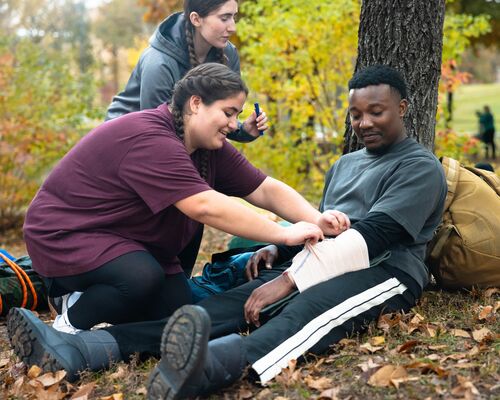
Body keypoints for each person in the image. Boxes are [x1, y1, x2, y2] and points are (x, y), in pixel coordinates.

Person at [8, 65, 447, 398]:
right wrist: (284, 247)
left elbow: (363, 237)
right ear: (196, 104)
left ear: (403, 108)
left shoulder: (418, 166)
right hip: (78, 237)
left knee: (300, 311)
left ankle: (210, 368)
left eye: (376, 112)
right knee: (211, 310)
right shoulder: (345, 164)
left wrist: (301, 247)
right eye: (356, 114)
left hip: (384, 270)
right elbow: (214, 206)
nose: (365, 122)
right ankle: (85, 345)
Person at [21, 63, 346, 336]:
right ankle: (70, 321)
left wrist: (315, 219)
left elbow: (263, 188)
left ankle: (101, 301)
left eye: (238, 115)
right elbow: (203, 206)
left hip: (121, 237)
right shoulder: (152, 138)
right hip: (64, 235)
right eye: (228, 113)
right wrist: (284, 233)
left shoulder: (208, 147)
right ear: (195, 104)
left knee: (175, 312)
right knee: (140, 278)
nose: (234, 125)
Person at [105, 0, 263, 144]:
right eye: (224, 18)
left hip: (170, 139)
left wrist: (243, 131)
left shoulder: (228, 54)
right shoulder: (158, 63)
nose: (233, 27)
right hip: (126, 140)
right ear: (196, 19)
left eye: (233, 17)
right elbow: (159, 133)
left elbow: (215, 119)